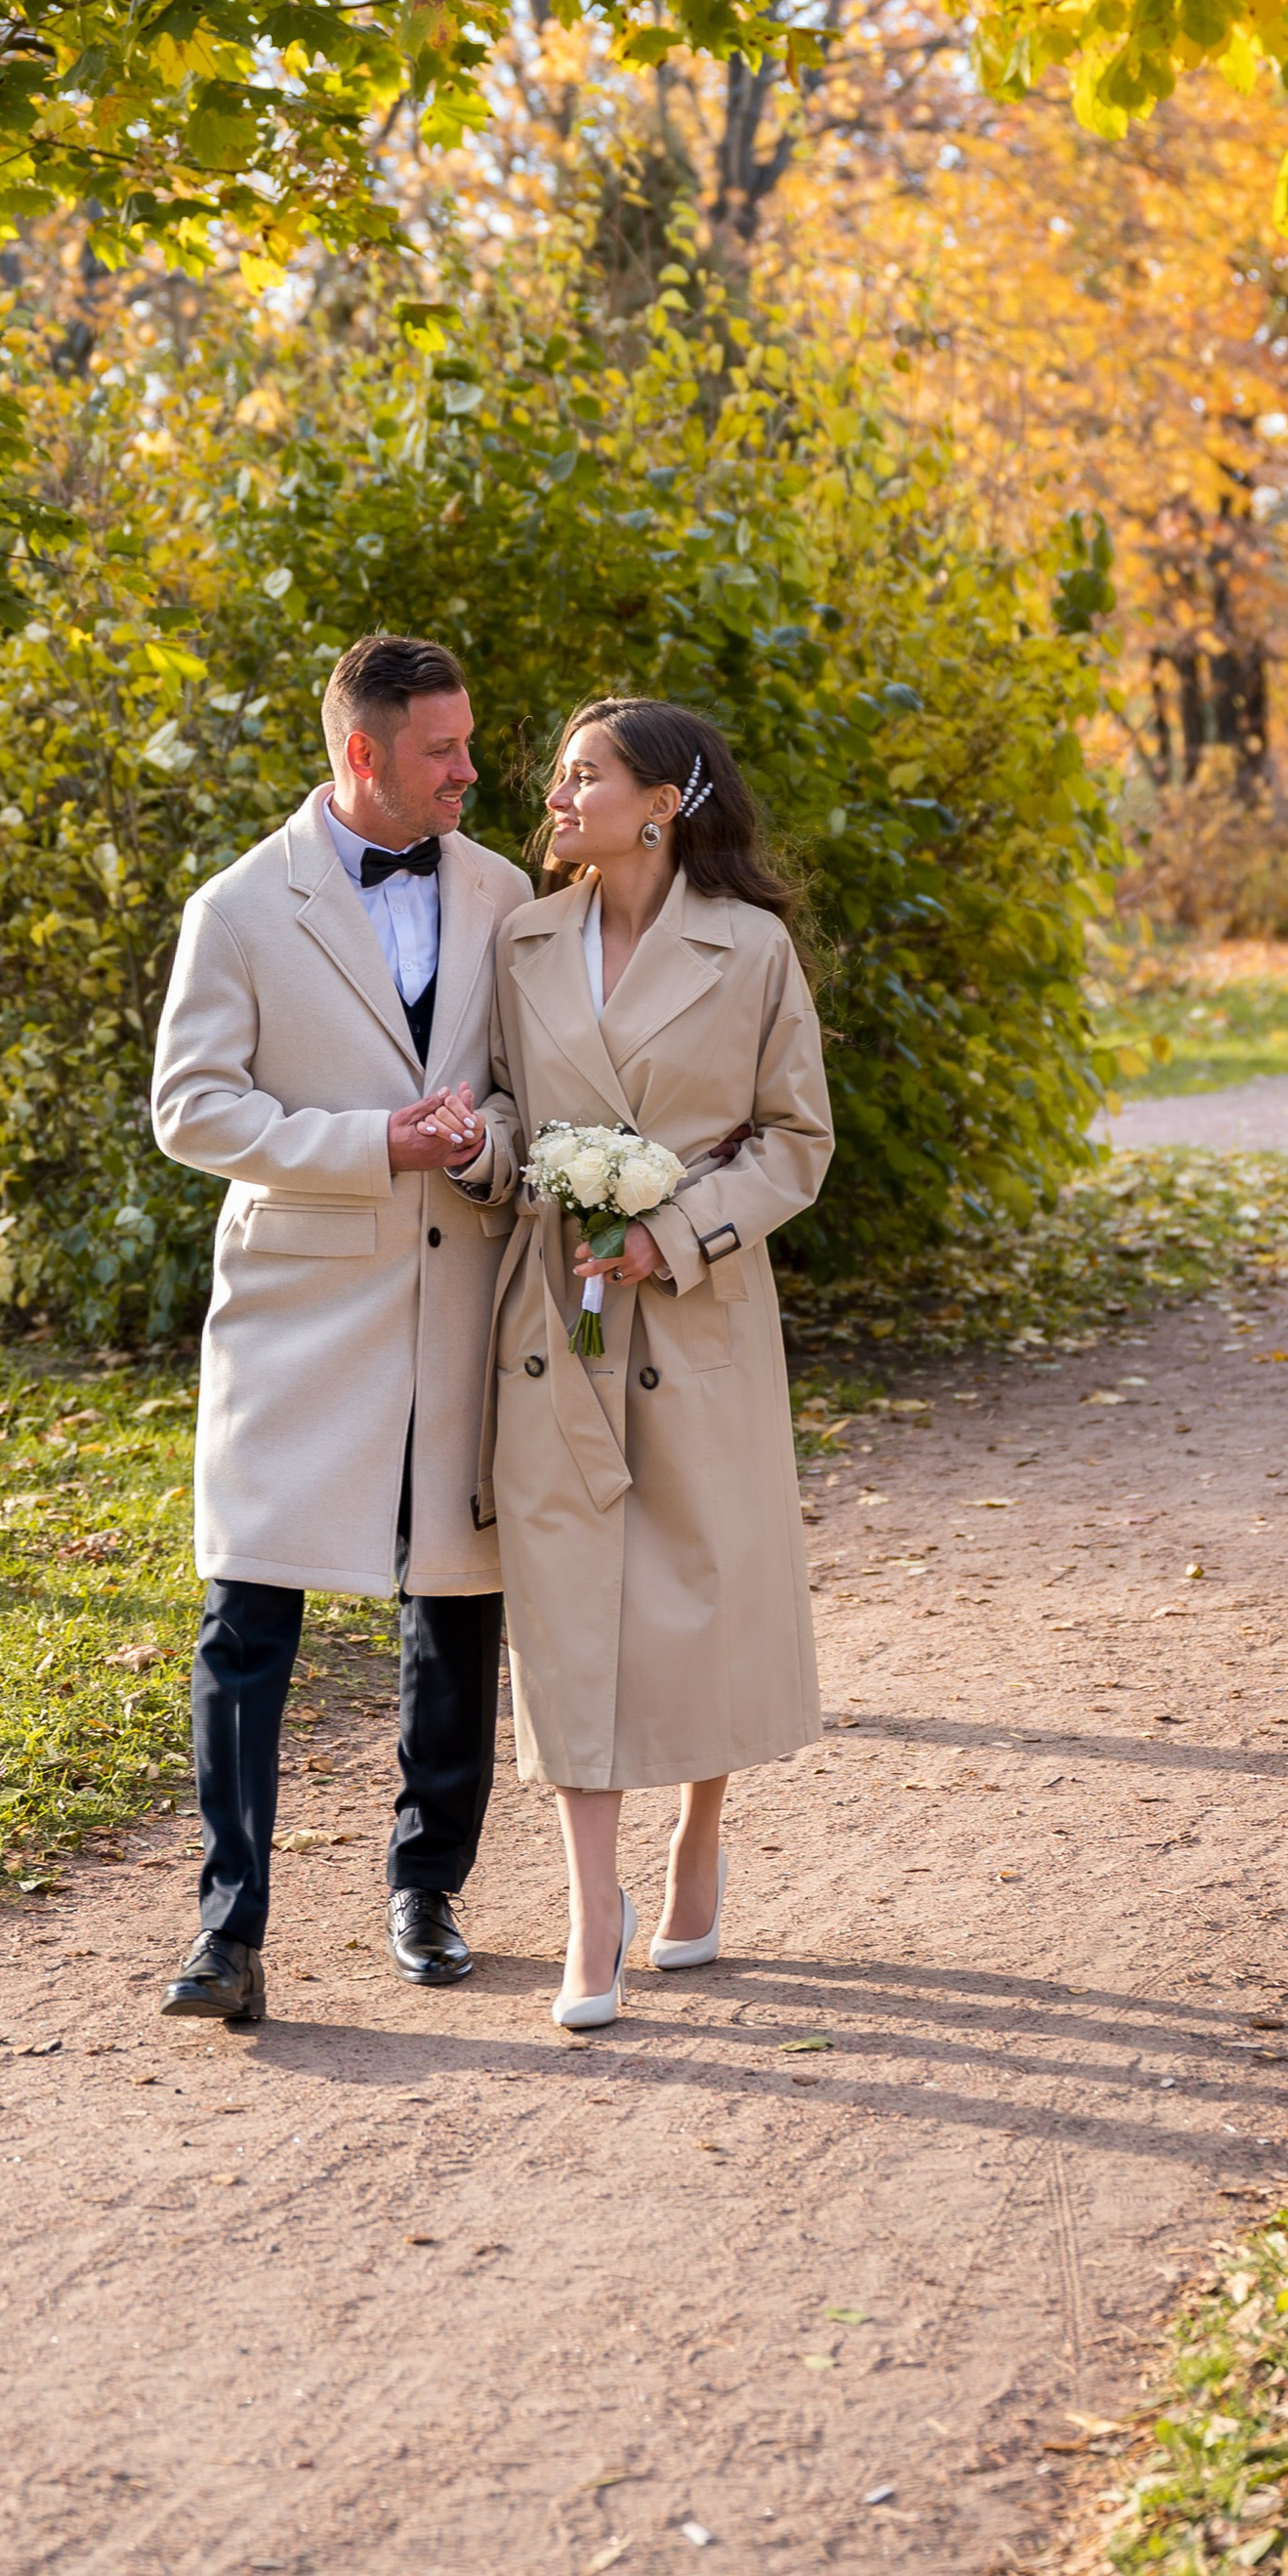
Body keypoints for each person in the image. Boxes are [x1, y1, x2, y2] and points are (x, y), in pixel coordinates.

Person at [150, 633, 532, 2024]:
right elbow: (191, 1110)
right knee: (248, 1607)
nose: (470, 771)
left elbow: (532, 1089)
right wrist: (373, 1141)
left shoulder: (501, 892)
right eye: (444, 749)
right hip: (302, 1304)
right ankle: (227, 1927)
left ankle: (428, 1887)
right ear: (361, 754)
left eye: (469, 742)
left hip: (463, 1293)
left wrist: (481, 1144)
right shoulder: (240, 909)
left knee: (457, 1601)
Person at [478, 697, 833, 2029]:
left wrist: (671, 1233)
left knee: (703, 1592)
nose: (559, 798)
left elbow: (796, 1139)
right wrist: (489, 1151)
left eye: (586, 777)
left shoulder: (751, 953)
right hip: (553, 1319)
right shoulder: (517, 939)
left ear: (663, 802)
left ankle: (698, 1838)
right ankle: (588, 1918)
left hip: (698, 1316)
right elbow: (511, 1105)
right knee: (569, 1601)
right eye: (560, 774)